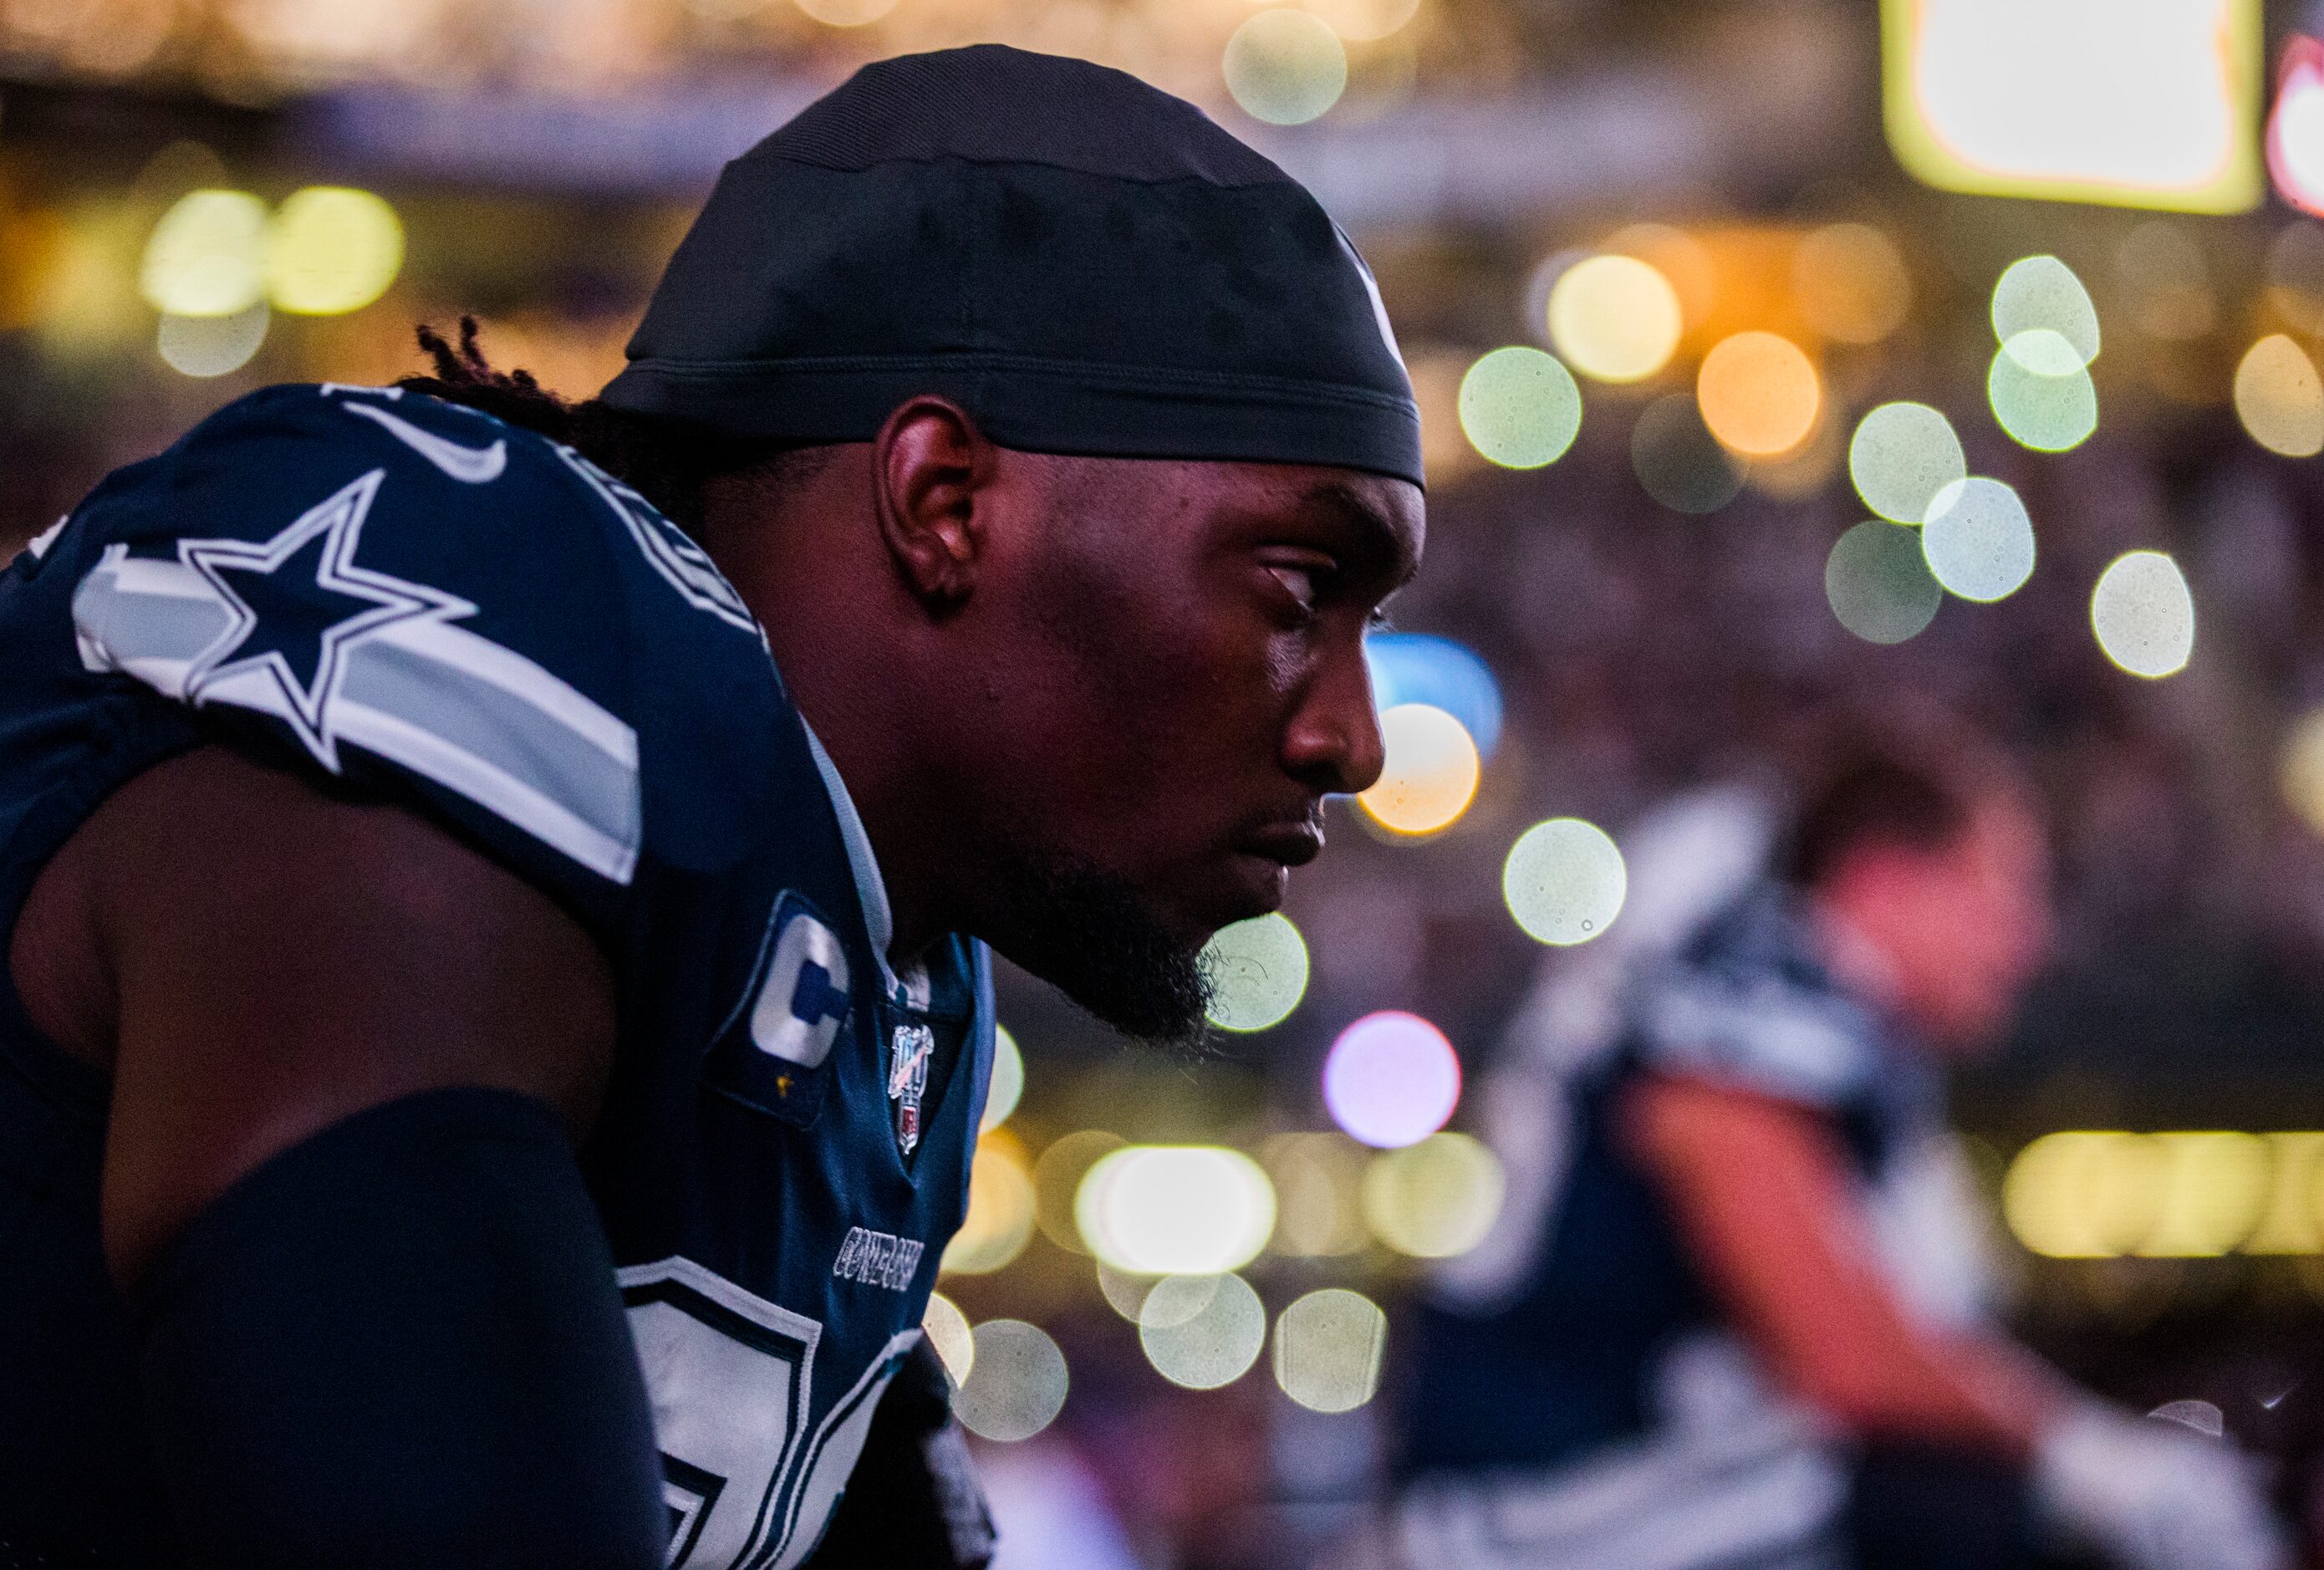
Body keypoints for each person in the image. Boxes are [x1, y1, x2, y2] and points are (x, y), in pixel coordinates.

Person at [0, 45, 1424, 1569]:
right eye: (1298, 590)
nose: (1356, 741)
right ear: (946, 502)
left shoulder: (882, 977)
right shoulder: (497, 676)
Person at [1389, 734, 2287, 1570]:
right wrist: (2087, 1460)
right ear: (1885, 880)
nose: (2030, 940)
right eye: (2005, 887)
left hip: (1598, 1496)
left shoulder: (1860, 1054)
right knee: (1947, 1505)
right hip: (1531, 1511)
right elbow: (1845, 1358)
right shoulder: (1764, 978)